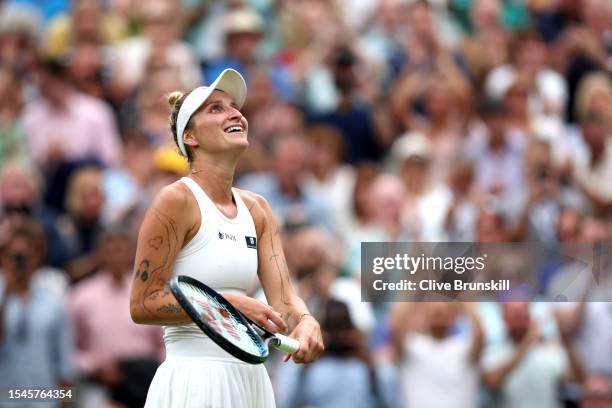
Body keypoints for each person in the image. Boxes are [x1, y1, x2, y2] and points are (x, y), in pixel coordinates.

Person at [129, 68, 324, 408]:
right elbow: (143, 303)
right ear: (190, 137)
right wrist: (226, 305)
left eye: (235, 106)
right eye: (216, 108)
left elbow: (284, 299)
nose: (236, 113)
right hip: (194, 379)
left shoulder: (258, 208)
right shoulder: (175, 200)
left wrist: (306, 322)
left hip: (251, 381)